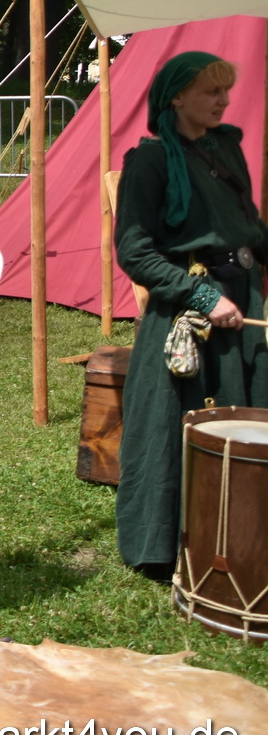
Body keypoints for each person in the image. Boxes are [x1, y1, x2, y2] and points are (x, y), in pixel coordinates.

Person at [113, 51, 268, 578]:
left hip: (246, 299)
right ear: (177, 96)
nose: (224, 100)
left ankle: (242, 535)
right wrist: (203, 298)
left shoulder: (226, 149)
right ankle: (165, 545)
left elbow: (247, 225)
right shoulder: (151, 162)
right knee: (173, 430)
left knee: (252, 418)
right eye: (211, 91)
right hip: (191, 309)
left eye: (226, 91)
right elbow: (134, 252)